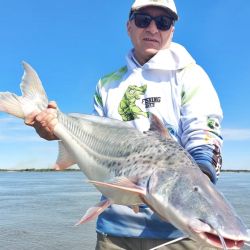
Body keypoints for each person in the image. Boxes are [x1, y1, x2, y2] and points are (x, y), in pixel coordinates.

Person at [26, 0, 223, 249]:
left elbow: (204, 137)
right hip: (113, 233)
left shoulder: (190, 75)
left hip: (180, 235)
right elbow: (91, 140)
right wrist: (54, 129)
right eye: (143, 20)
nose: (153, 29)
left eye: (163, 22)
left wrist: (196, 193)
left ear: (171, 30)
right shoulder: (107, 85)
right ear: (129, 26)